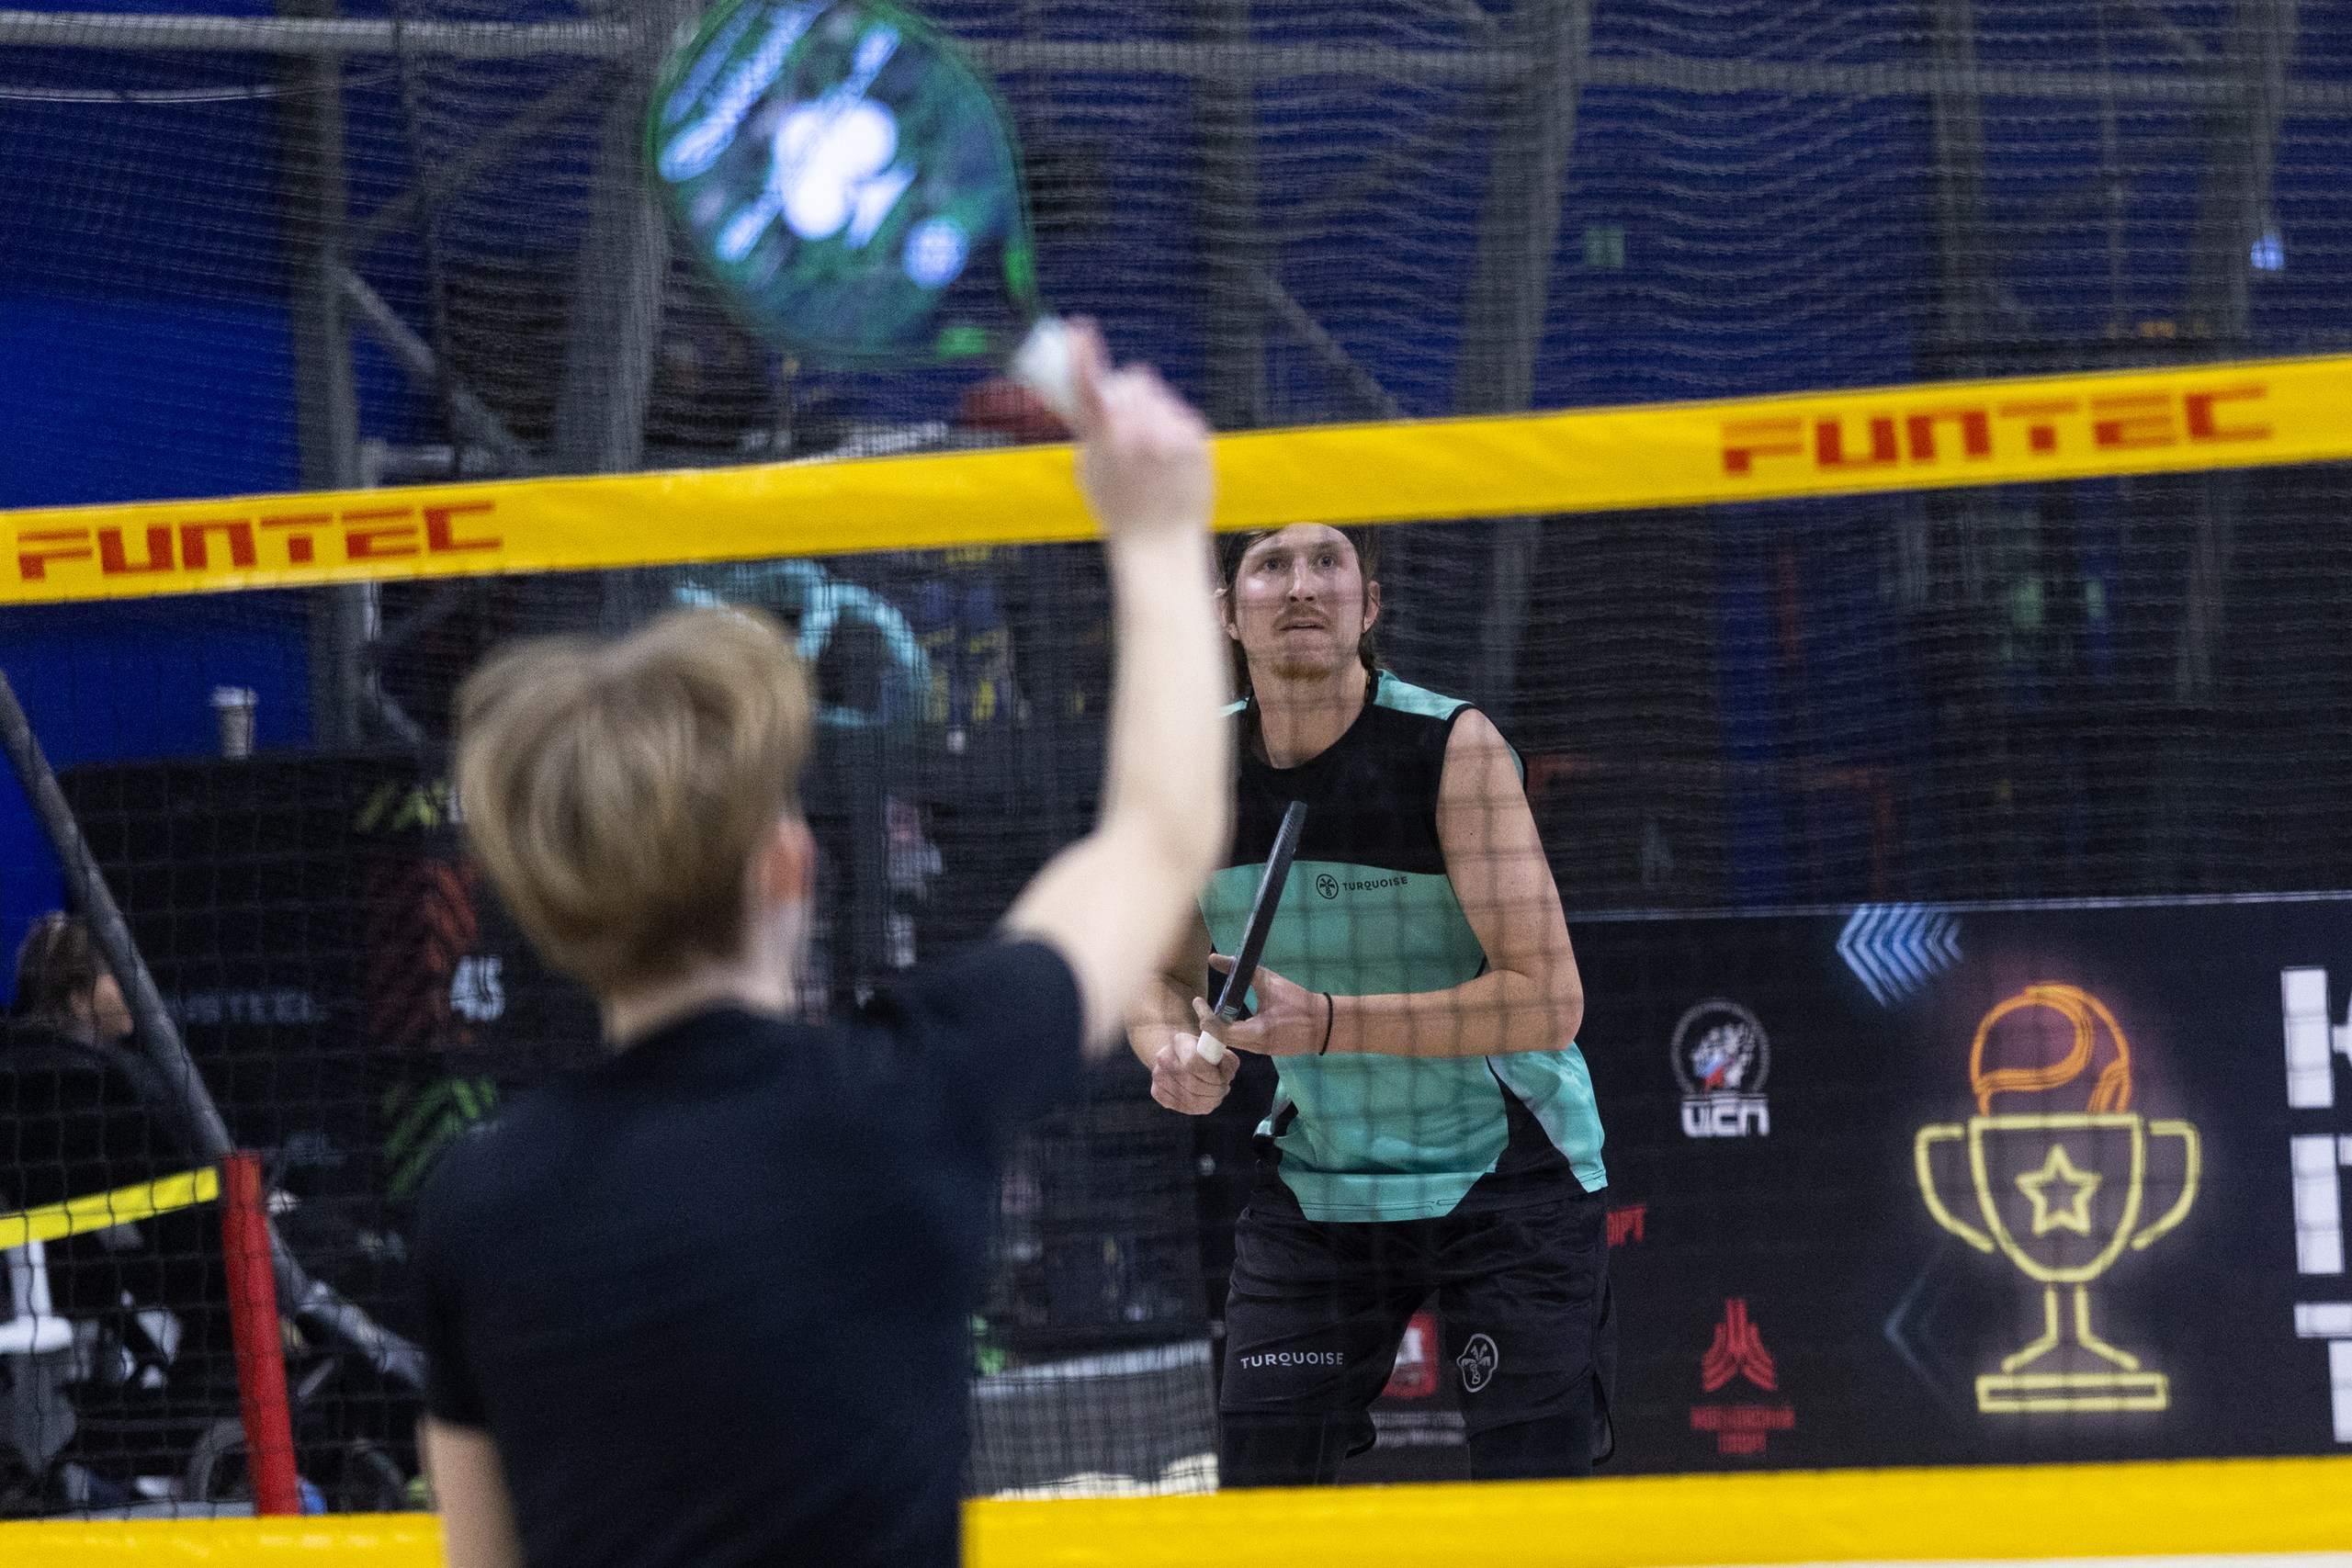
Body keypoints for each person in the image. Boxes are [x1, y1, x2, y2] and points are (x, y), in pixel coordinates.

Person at [412, 321, 1229, 1568]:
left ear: (553, 906)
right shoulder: (908, 1098)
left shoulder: (479, 1202)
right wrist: (1160, 529)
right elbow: (1160, 836)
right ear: (789, 866)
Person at [1127, 523, 1613, 1485]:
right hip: (1323, 1182)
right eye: (1271, 564)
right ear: (1227, 613)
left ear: (1369, 604)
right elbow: (1163, 979)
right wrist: (1168, 1050)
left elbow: (1549, 1001)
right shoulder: (1188, 765)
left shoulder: (1452, 749)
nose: (1301, 586)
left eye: (1328, 562)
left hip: (1509, 1180)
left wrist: (1330, 1024)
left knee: (1536, 1525)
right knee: (1265, 1512)